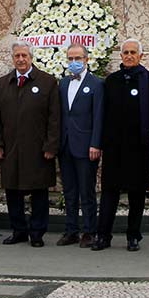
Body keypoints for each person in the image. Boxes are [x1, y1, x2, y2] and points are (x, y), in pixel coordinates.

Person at [0, 41, 60, 247]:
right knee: (12, 191)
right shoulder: (2, 84)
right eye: (17, 56)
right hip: (10, 148)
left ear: (31, 58)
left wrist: (51, 146)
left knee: (39, 193)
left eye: (24, 56)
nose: (21, 59)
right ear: (12, 58)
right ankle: (19, 230)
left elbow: (54, 118)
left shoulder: (47, 82)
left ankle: (37, 233)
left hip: (38, 150)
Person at [94, 38, 149, 252]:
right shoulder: (111, 81)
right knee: (109, 192)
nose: (129, 56)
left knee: (136, 193)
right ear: (120, 56)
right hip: (114, 147)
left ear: (141, 56)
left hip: (139, 147)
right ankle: (103, 235)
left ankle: (133, 235)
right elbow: (104, 113)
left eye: (133, 52)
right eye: (125, 52)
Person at [56, 43, 105, 248]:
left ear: (86, 59)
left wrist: (96, 143)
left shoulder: (96, 84)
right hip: (66, 144)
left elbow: (99, 116)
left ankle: (89, 230)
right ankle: (71, 230)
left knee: (87, 190)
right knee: (69, 190)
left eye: (78, 58)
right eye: (70, 59)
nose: (74, 62)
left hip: (86, 146)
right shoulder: (64, 83)